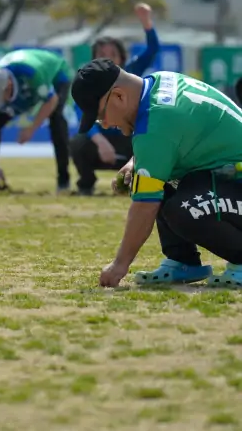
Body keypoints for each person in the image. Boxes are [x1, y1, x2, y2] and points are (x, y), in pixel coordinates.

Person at [72, 58, 242, 288]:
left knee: (182, 210)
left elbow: (145, 206)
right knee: (150, 180)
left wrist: (119, 265)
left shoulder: (157, 121)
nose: (104, 124)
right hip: (228, 178)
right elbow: (172, 134)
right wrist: (135, 161)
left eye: (101, 115)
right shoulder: (160, 82)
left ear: (119, 96)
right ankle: (183, 261)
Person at [70, 2, 160, 195]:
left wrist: (146, 22)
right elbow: (81, 113)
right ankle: (86, 184)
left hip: (127, 139)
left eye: (113, 54)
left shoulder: (130, 76)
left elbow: (152, 49)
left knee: (145, 142)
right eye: (102, 55)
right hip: (102, 141)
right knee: (78, 142)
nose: (108, 59)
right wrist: (101, 141)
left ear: (122, 57)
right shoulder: (87, 82)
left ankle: (134, 181)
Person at [0, 48, 73, 193]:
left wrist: (31, 128)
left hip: (56, 74)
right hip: (22, 88)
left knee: (56, 120)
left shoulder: (31, 74)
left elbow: (51, 101)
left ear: (9, 86)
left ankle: (63, 181)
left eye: (0, 98)